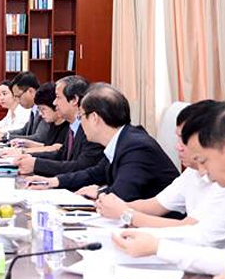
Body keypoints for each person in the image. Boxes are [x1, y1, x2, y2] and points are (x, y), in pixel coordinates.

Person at [112, 102, 225, 279]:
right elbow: (202, 234)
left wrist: (159, 247)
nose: (202, 172)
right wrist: (149, 239)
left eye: (204, 161)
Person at [29, 83, 179, 201]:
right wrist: (53, 181)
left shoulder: (136, 147)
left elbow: (121, 195)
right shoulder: (120, 141)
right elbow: (93, 174)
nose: (80, 123)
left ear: (94, 118)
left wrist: (100, 191)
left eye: (81, 116)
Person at [95, 100, 225, 232]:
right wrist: (116, 206)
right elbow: (155, 205)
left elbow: (189, 229)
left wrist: (125, 214)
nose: (178, 147)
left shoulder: (224, 180)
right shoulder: (192, 172)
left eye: (184, 139)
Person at [13, 75, 103, 176]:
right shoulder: (73, 126)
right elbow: (61, 154)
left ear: (74, 100)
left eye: (58, 97)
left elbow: (80, 166)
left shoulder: (90, 129)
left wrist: (36, 164)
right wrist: (30, 157)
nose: (54, 102)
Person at [1, 82, 68, 157]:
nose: (40, 114)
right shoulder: (53, 123)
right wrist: (25, 143)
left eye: (43, 109)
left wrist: (23, 151)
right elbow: (46, 146)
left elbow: (55, 148)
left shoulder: (67, 126)